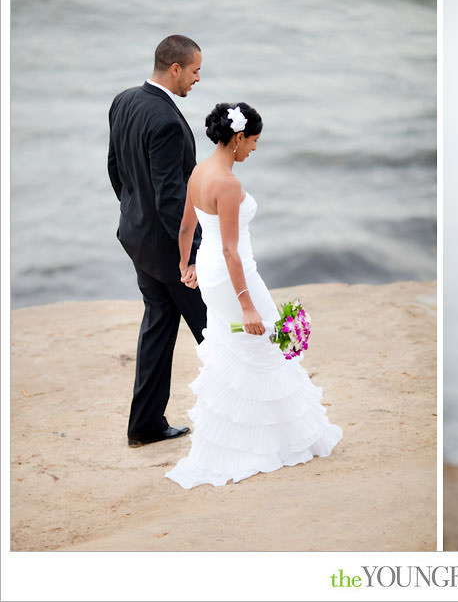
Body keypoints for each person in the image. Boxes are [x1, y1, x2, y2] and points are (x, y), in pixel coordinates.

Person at [165, 102, 342, 488]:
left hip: (209, 272)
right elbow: (231, 250)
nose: (255, 150)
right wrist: (247, 305)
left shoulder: (199, 172)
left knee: (238, 351)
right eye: (254, 141)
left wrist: (185, 267)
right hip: (234, 277)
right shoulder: (227, 184)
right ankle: (268, 442)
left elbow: (185, 228)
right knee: (266, 347)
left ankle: (247, 438)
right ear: (238, 138)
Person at [108, 34, 207, 448]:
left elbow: (116, 169)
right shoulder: (166, 121)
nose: (198, 79)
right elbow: (171, 198)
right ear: (175, 69)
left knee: (158, 328)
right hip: (169, 251)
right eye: (196, 70)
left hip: (138, 239)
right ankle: (243, 419)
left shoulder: (124, 100)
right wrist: (194, 255)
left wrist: (135, 214)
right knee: (214, 331)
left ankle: (145, 425)